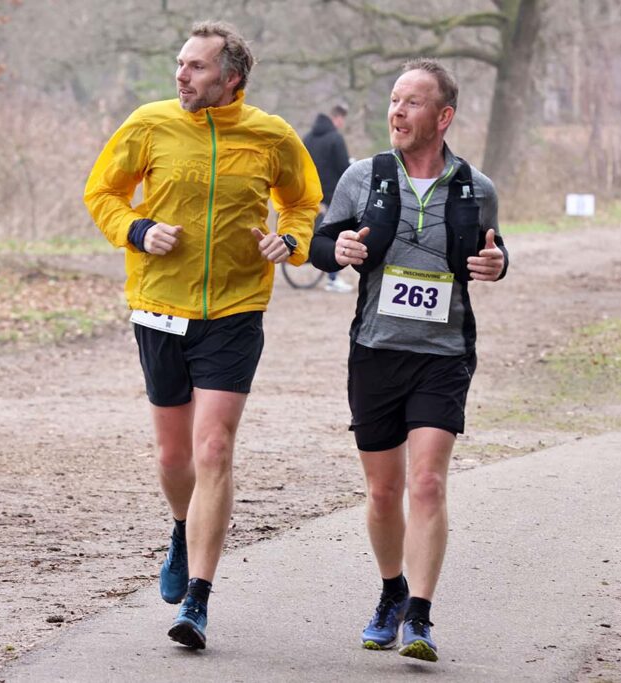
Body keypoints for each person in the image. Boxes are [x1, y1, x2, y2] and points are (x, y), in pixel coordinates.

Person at [83, 20, 321, 650]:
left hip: (237, 310)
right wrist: (136, 230)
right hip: (159, 307)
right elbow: (102, 191)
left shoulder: (272, 135)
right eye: (180, 64)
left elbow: (303, 203)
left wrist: (290, 242)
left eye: (195, 66)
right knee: (173, 458)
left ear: (230, 78)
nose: (181, 75)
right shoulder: (149, 123)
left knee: (213, 448)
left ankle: (198, 598)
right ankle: (182, 526)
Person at [309, 58, 508, 662]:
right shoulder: (363, 177)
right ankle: (392, 591)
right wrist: (334, 248)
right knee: (383, 490)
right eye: (394, 100)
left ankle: (419, 616)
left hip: (443, 355)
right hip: (375, 351)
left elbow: (492, 251)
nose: (397, 111)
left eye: (412, 102)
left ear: (443, 116)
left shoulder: (476, 188)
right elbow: (322, 243)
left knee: (426, 482)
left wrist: (498, 265)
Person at [302, 103, 354, 292]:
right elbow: (344, 169)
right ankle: (333, 278)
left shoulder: (307, 138)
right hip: (331, 195)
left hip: (310, 194)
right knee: (334, 234)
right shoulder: (335, 138)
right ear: (338, 118)